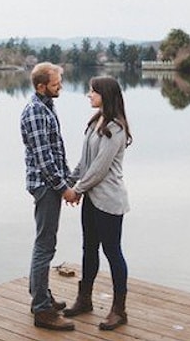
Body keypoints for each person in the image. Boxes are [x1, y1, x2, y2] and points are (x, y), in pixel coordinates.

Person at [63, 75, 132, 331]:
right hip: (91, 199)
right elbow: (85, 162)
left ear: (105, 95)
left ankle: (119, 309)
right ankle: (84, 299)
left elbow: (101, 168)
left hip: (109, 201)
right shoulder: (95, 122)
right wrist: (69, 184)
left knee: (112, 252)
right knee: (88, 248)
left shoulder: (116, 127)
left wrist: (77, 190)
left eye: (93, 92)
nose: (89, 95)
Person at [19, 62, 77, 331]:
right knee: (45, 245)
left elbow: (57, 151)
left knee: (45, 243)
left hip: (50, 184)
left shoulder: (46, 107)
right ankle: (41, 309)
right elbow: (44, 159)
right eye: (56, 84)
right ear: (41, 86)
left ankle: (41, 296)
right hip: (45, 186)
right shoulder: (35, 112)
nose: (60, 87)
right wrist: (63, 187)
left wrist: (68, 180)